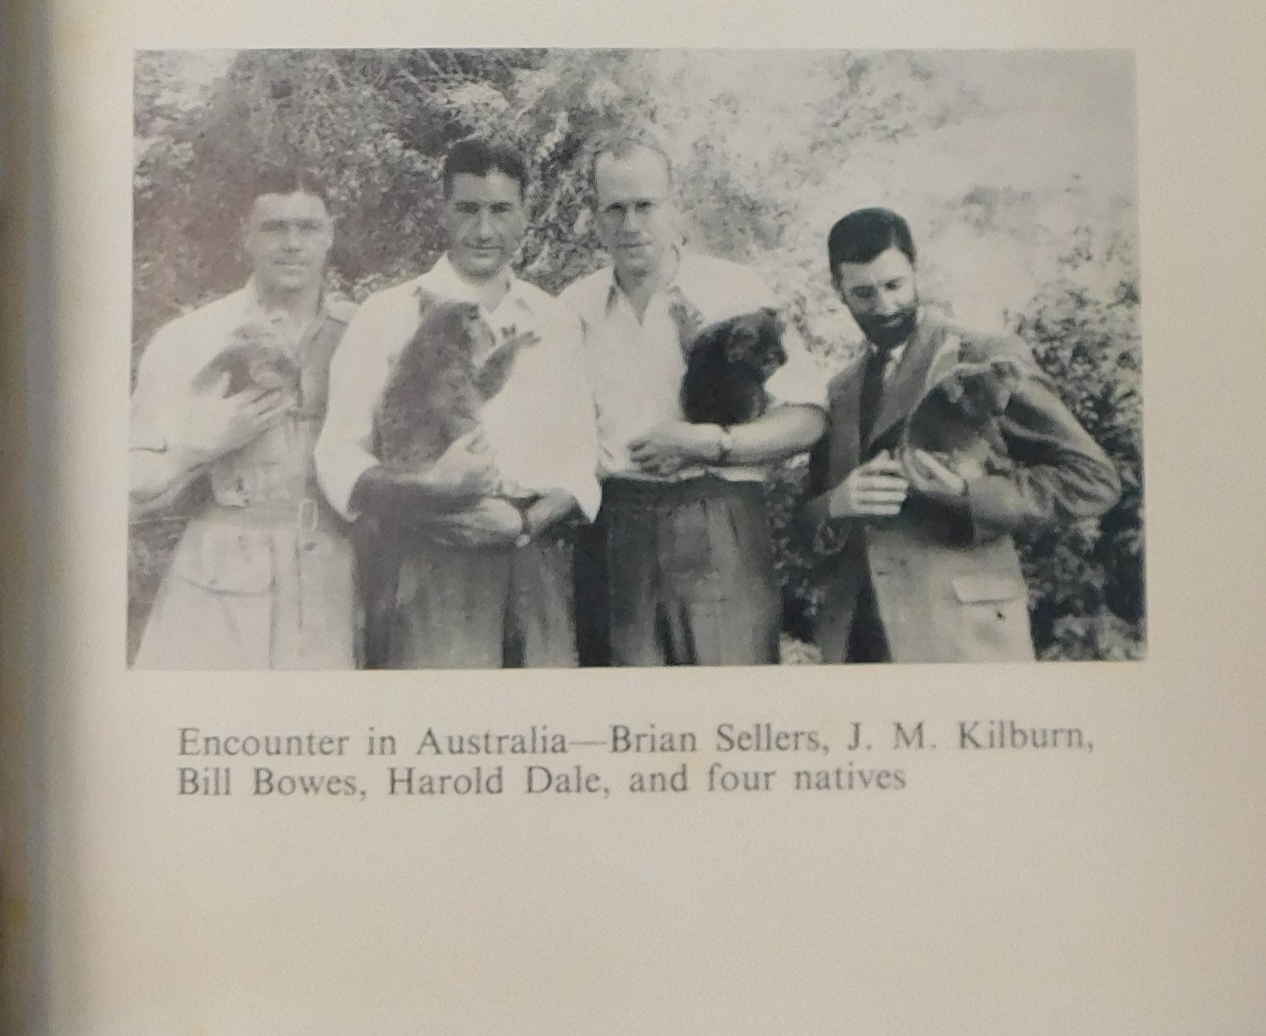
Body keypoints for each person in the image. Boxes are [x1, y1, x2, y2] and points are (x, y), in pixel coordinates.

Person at [315, 138, 598, 669]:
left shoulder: (553, 319)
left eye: (500, 211)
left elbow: (581, 462)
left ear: (524, 216)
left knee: (543, 728)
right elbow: (340, 458)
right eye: (468, 209)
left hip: (534, 562)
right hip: (430, 558)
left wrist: (523, 525)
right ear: (443, 211)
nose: (484, 230)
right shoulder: (387, 314)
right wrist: (427, 493)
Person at [809, 208, 1120, 664]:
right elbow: (811, 512)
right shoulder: (840, 388)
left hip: (965, 639)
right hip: (862, 639)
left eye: (894, 285)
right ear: (838, 290)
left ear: (916, 271)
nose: (885, 307)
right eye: (863, 293)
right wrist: (837, 503)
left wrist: (968, 495)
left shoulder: (983, 359)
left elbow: (1092, 479)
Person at [561, 131, 826, 667]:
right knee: (626, 720)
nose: (630, 225)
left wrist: (711, 442)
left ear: (674, 207)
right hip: (615, 534)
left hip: (718, 523)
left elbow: (807, 418)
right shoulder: (572, 307)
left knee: (730, 707)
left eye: (645, 206)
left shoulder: (736, 290)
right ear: (595, 216)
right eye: (615, 209)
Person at [129, 170, 355, 670]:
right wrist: (199, 444)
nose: (292, 244)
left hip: (334, 581)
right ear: (245, 236)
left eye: (308, 228)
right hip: (218, 584)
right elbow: (126, 489)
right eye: (275, 228)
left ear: (330, 235)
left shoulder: (361, 335)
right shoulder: (191, 338)